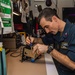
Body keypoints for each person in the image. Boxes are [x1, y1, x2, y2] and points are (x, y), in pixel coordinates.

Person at [26, 8, 75, 75]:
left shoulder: (73, 32)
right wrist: (33, 39)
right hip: (56, 69)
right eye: (44, 28)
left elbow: (73, 65)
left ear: (54, 19)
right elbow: (43, 41)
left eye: (47, 26)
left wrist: (48, 49)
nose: (47, 31)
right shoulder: (56, 32)